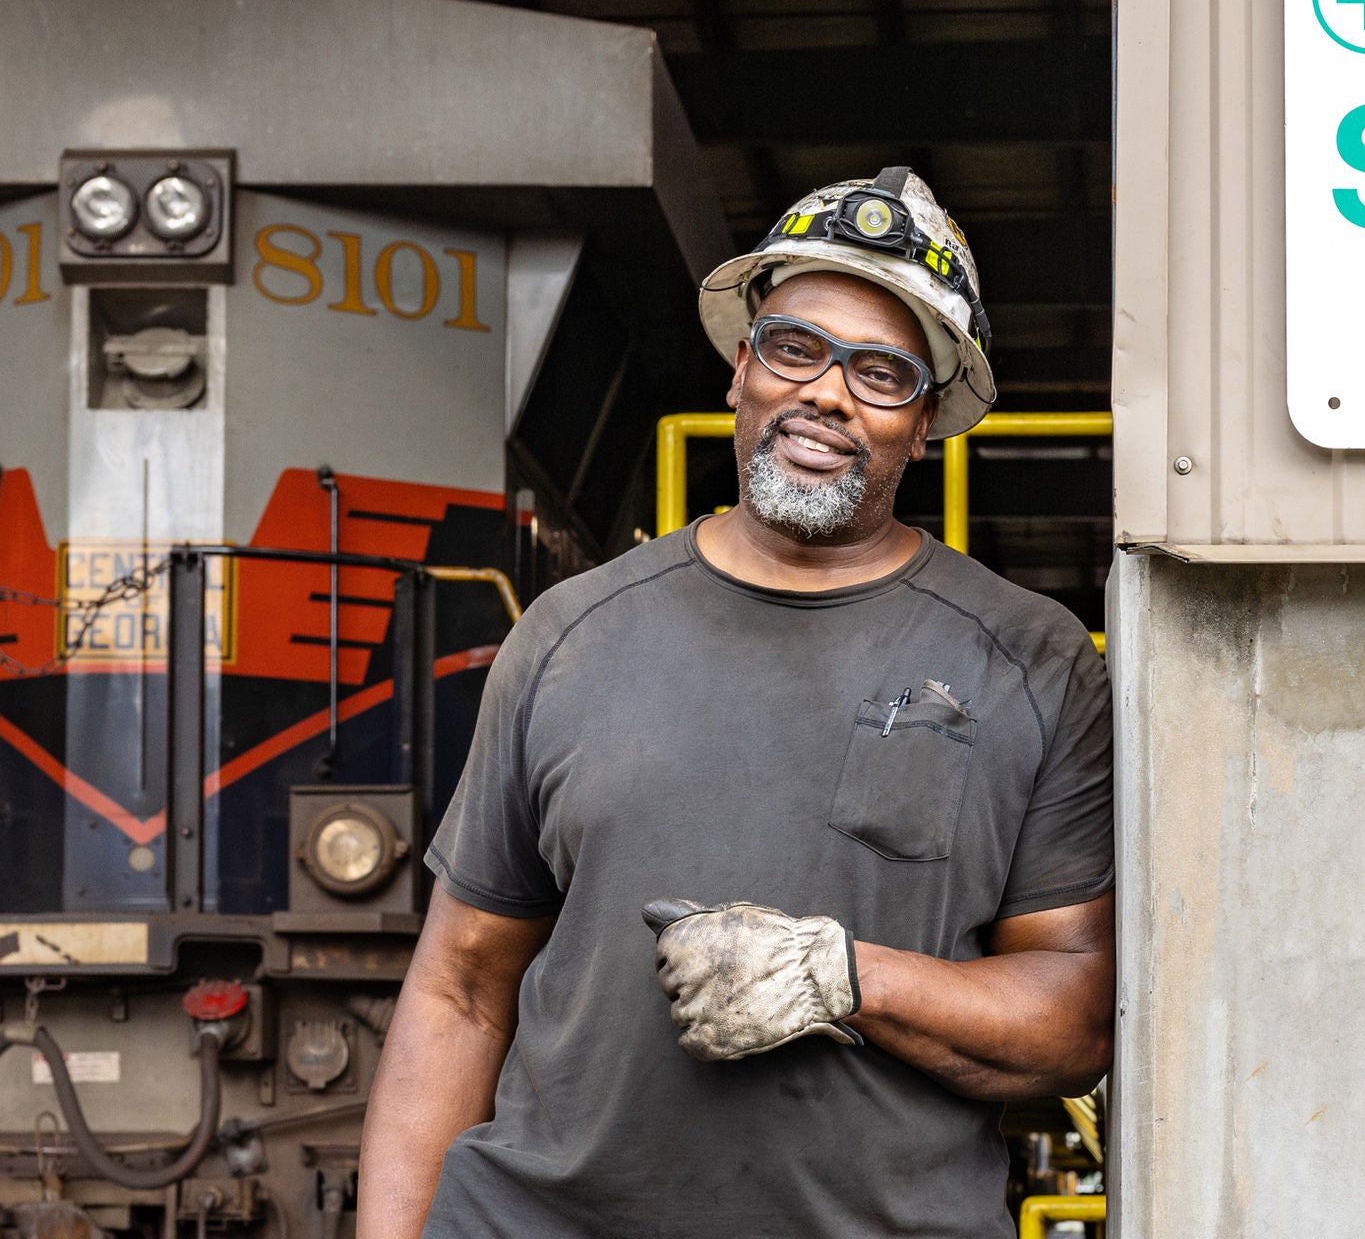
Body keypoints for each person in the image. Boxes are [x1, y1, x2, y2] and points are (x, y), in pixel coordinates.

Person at [358, 168, 1115, 1239]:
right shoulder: (570, 635)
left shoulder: (1030, 662)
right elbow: (461, 990)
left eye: (880, 372)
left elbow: (1077, 1014)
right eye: (794, 347)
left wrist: (846, 977)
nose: (824, 393)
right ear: (740, 367)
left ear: (931, 418)